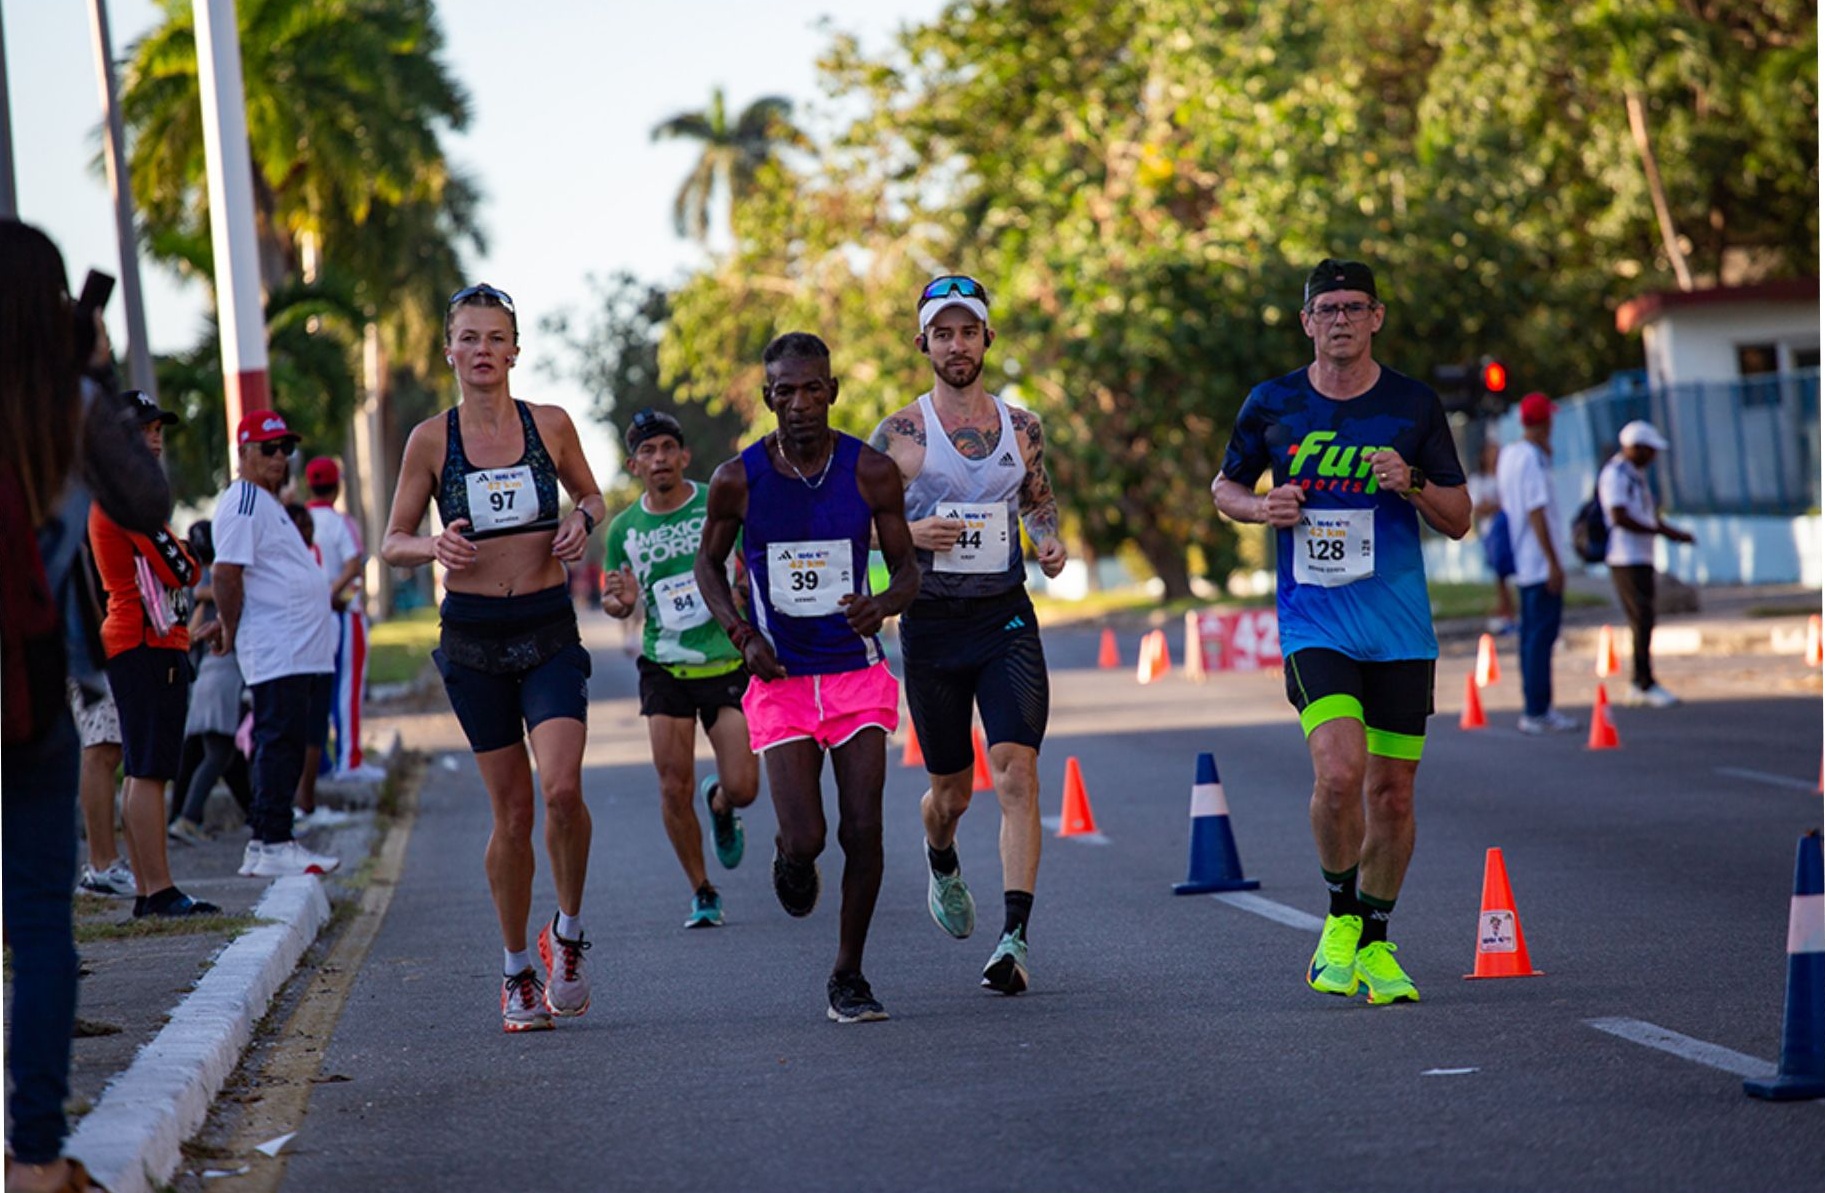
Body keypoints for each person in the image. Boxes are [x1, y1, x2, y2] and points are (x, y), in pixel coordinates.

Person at [1209, 258, 1470, 1006]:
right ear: (1307, 322)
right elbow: (1224, 486)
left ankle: (1376, 942)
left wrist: (1412, 484)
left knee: (1391, 794)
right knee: (1338, 772)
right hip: (1313, 621)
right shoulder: (1272, 404)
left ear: (1376, 317)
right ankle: (1337, 916)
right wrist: (1260, 508)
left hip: (1398, 629)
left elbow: (1458, 518)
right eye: (1327, 309)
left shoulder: (1412, 407)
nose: (1341, 320)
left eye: (1355, 307)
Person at [381, 282, 608, 1033]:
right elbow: (392, 541)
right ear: (449, 350)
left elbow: (594, 498)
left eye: (495, 337)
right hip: (473, 636)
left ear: (516, 349)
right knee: (512, 811)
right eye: (468, 338)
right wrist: (430, 544)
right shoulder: (429, 440)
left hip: (546, 626)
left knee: (564, 790)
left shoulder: (549, 424)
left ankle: (567, 936)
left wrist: (580, 520)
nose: (482, 351)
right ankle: (515, 967)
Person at [3, 216, 164, 1193]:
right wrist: (95, 377)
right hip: (27, 696)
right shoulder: (68, 402)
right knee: (39, 926)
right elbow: (148, 497)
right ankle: (31, 1156)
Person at [695, 331, 919, 1023]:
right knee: (808, 838)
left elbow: (909, 570)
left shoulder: (871, 470)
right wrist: (740, 632)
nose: (799, 402)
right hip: (783, 679)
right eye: (784, 391)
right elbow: (707, 566)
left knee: (863, 829)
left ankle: (847, 974)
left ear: (832, 391)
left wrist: (880, 605)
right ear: (767, 398)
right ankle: (789, 859)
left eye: (811, 387)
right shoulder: (739, 478)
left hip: (854, 677)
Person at [868, 274, 1067, 996]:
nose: (957, 344)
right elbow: (852, 520)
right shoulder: (899, 435)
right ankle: (940, 850)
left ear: (987, 338)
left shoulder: (1022, 427)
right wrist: (912, 531)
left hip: (1004, 618)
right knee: (950, 792)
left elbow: (1038, 502)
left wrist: (1049, 543)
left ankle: (1013, 937)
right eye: (943, 333)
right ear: (923, 342)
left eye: (969, 330)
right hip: (932, 627)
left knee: (1015, 770)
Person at [602, 408, 760, 928]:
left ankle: (720, 802)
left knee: (745, 787)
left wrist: (744, 599)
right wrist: (619, 604)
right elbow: (618, 601)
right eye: (648, 451)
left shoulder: (714, 506)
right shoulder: (623, 529)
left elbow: (747, 567)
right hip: (664, 666)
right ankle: (702, 890)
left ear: (684, 456)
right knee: (672, 786)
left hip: (724, 660)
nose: (660, 458)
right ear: (634, 465)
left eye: (668, 447)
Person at [87, 390, 221, 917]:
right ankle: (160, 889)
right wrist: (186, 552)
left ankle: (149, 888)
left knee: (141, 768)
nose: (156, 437)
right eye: (145, 429)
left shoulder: (122, 495)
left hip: (142, 641)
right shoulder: (126, 499)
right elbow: (181, 568)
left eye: (158, 428)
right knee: (149, 771)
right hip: (142, 643)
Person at [210, 410, 344, 883]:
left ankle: (268, 840)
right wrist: (228, 627)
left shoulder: (268, 501)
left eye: (285, 448)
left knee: (286, 741)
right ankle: (272, 841)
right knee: (278, 743)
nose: (279, 457)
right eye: (268, 448)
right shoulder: (244, 500)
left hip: (297, 649)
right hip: (277, 648)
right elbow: (226, 572)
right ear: (243, 452)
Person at [1497, 393, 1579, 734]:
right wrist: (1553, 562)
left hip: (1523, 558)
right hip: (1538, 560)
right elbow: (1536, 511)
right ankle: (1538, 709)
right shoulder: (1531, 459)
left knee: (1531, 637)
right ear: (1545, 422)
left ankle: (1535, 705)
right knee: (1541, 638)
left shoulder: (1510, 454)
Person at [1599, 419, 1694, 707]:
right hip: (1625, 557)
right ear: (1636, 448)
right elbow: (1619, 516)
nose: (1653, 457)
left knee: (1645, 619)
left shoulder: (1633, 474)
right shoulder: (1616, 474)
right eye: (1650, 451)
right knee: (1641, 618)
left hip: (1640, 556)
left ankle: (1642, 680)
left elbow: (1646, 516)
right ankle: (1643, 682)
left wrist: (1671, 532)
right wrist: (1659, 531)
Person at [170, 520, 253, 844]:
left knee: (223, 756)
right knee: (217, 755)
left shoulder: (194, 588)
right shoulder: (220, 585)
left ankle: (256, 814)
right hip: (222, 677)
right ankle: (188, 818)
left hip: (204, 677)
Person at [304, 456, 380, 781]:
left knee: (316, 692)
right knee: (347, 689)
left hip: (310, 619)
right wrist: (330, 591)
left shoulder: (298, 519)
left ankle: (320, 766)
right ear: (336, 487)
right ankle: (350, 761)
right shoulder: (340, 522)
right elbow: (354, 565)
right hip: (344, 613)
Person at [1468, 439, 1516, 634]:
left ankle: (1511, 610)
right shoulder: (1478, 481)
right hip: (1492, 533)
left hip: (1511, 530)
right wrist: (1496, 506)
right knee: (1500, 574)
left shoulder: (1505, 476)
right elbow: (1478, 508)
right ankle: (1506, 611)